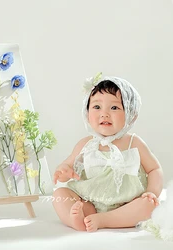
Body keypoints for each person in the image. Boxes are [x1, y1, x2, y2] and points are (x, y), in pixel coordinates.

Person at [52, 74, 163, 232]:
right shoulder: (86, 144)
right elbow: (67, 164)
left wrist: (152, 192)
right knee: (60, 194)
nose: (104, 113)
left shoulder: (134, 143)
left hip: (127, 205)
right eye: (97, 107)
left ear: (131, 114)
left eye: (114, 107)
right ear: (87, 111)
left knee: (148, 205)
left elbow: (154, 169)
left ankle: (104, 220)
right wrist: (64, 171)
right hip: (90, 202)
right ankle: (75, 218)